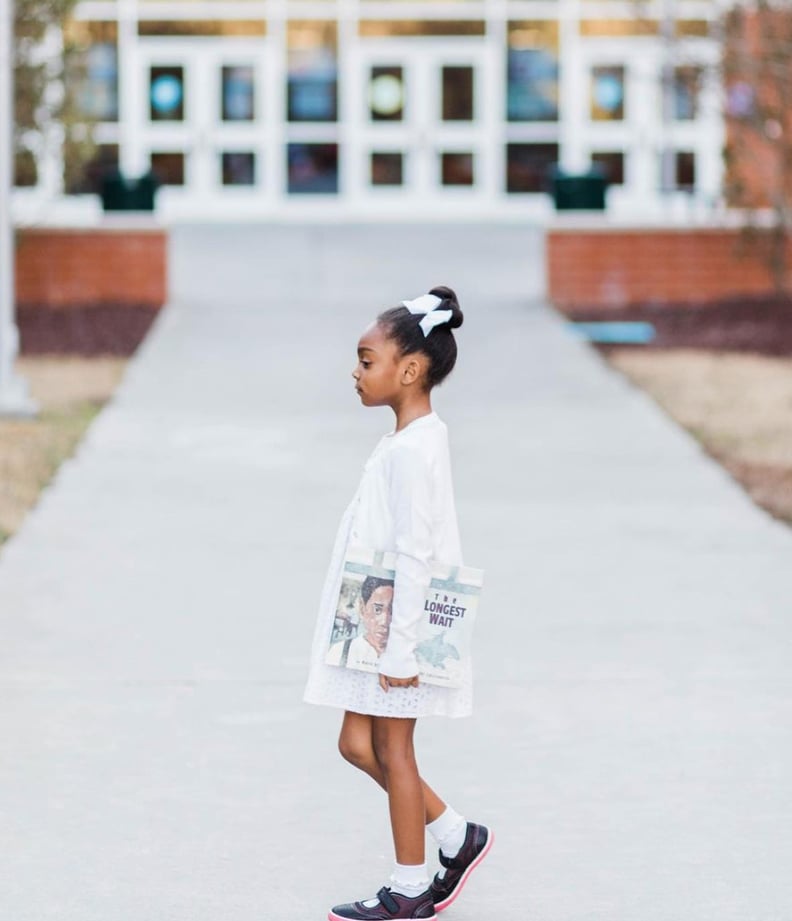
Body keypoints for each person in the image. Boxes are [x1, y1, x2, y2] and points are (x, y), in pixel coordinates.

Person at [304, 286, 493, 921]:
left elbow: (416, 553)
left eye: (365, 360)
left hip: (394, 629)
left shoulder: (416, 450)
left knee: (393, 750)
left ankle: (410, 887)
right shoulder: (406, 439)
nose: (354, 373)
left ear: (409, 369)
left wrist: (402, 648)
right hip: (373, 617)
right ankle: (455, 836)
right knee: (356, 743)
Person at [326, 576, 395, 670]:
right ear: (363, 609)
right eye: (377, 609)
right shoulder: (340, 652)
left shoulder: (415, 660)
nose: (385, 621)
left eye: (394, 611)